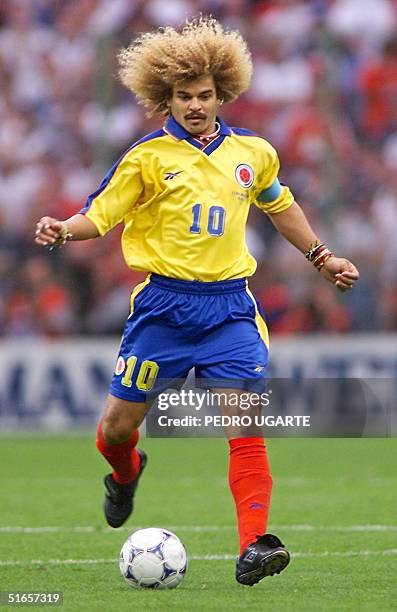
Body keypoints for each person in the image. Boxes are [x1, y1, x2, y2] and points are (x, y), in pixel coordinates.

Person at [34, 17, 359, 586]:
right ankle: (126, 473)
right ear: (166, 98)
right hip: (162, 308)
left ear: (222, 94)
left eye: (205, 95)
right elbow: (100, 215)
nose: (196, 105)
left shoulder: (254, 154)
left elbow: (281, 207)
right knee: (115, 430)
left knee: (246, 426)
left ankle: (254, 544)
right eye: (184, 96)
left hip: (230, 309)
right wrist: (65, 227)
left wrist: (322, 257)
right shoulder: (146, 159)